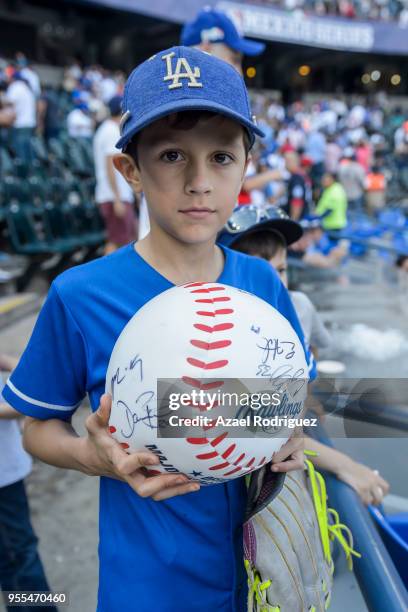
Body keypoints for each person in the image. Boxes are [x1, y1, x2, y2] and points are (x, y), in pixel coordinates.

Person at [3, 47, 311, 612]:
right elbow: (34, 428)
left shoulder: (264, 284)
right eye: (172, 155)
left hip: (257, 576)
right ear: (131, 170)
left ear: (247, 165)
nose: (199, 181)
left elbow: (297, 400)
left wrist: (287, 434)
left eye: (221, 156)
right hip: (147, 583)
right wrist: (90, 457)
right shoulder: (82, 293)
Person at [217, 210, 390, 506]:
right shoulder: (226, 334)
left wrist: (310, 397)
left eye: (281, 270)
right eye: (259, 272)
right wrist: (345, 464)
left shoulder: (299, 305)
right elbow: (259, 429)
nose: (275, 284)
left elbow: (312, 352)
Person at [137, 8, 267, 240]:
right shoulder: (154, 101)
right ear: (206, 47)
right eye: (234, 58)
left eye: (221, 157)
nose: (239, 70)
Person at [0, 354, 57, 612]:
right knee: (20, 553)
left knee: (14, 555)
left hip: (7, 473)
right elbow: (22, 406)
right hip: (4, 476)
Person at [93, 95, 136, 254]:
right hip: (113, 196)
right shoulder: (111, 130)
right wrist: (117, 198)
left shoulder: (106, 128)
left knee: (124, 239)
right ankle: (103, 279)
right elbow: (110, 166)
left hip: (114, 195)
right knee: (117, 241)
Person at [6, 69, 37, 164]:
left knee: (20, 150)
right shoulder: (26, 87)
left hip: (20, 123)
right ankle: (31, 173)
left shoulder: (15, 87)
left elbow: (9, 103)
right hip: (29, 122)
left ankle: (23, 174)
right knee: (28, 148)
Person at [338, 148, 366, 214]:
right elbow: (363, 182)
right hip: (356, 195)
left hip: (345, 194)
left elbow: (339, 180)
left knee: (347, 215)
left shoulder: (341, 167)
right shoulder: (358, 167)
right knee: (358, 215)